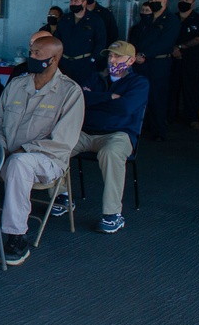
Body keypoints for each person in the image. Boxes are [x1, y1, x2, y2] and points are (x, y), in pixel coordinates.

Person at [0, 36, 84, 266]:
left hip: (46, 161)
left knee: (20, 163)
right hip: (5, 156)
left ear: (54, 59)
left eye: (38, 54)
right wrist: (1, 147)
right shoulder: (17, 85)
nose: (32, 57)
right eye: (31, 52)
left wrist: (21, 150)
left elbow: (63, 142)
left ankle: (17, 236)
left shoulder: (70, 92)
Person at [64, 41, 149, 233]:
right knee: (58, 146)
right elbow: (78, 99)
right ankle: (61, 195)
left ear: (132, 60)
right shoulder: (95, 77)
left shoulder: (139, 82)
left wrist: (95, 99)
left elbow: (126, 108)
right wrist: (109, 97)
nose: (112, 60)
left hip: (119, 134)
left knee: (110, 153)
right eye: (110, 56)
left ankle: (113, 214)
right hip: (86, 132)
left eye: (117, 56)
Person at [127, 0, 180, 141]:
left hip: (159, 63)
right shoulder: (146, 20)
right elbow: (135, 38)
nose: (153, 2)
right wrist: (136, 54)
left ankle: (159, 131)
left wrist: (145, 54)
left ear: (164, 1)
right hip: (140, 63)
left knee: (157, 97)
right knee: (139, 95)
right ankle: (139, 127)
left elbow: (165, 43)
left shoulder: (171, 20)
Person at [169, 0, 199, 129]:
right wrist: (173, 50)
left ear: (193, 4)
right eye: (181, 0)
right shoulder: (171, 18)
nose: (183, 2)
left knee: (191, 90)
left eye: (187, 1)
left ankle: (192, 118)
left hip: (191, 61)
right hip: (172, 60)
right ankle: (169, 117)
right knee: (171, 89)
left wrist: (180, 47)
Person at [55, 0, 106, 83]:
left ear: (84, 2)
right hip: (65, 62)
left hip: (85, 63)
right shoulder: (64, 19)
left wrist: (93, 59)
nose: (72, 4)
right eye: (71, 1)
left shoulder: (95, 20)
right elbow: (56, 39)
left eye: (76, 1)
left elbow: (101, 42)